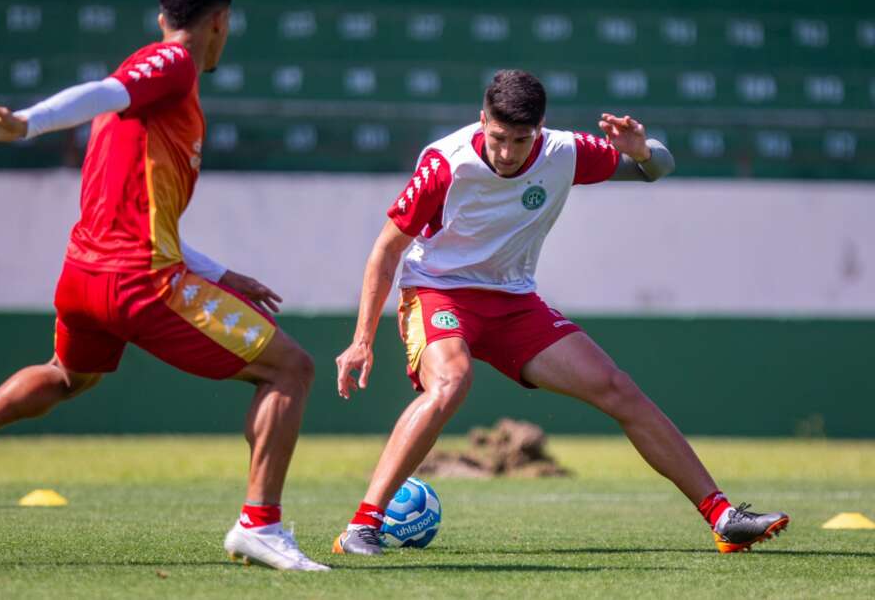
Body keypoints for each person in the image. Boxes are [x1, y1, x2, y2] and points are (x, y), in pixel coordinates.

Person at [0, 0, 328, 572]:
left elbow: (144, 210)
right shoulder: (172, 66)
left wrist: (220, 272)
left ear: (161, 16)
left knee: (67, 376)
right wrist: (24, 123)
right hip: (141, 283)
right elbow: (103, 89)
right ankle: (259, 526)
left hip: (83, 278)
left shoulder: (148, 106)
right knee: (291, 369)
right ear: (220, 24)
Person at [332, 70, 789, 556]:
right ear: (481, 120)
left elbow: (657, 169)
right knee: (452, 382)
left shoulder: (564, 152)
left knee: (618, 388)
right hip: (438, 292)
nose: (507, 153)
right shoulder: (445, 165)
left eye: (520, 140)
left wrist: (640, 149)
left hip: (513, 302)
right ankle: (362, 526)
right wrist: (362, 339)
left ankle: (723, 517)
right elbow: (385, 251)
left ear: (541, 128)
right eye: (498, 138)